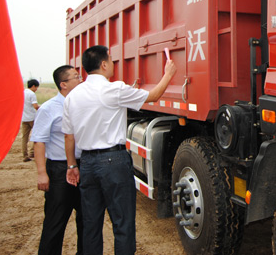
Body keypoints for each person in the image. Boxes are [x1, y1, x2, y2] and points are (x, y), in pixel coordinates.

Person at [63, 45, 176, 255]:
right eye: (112, 60)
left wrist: (72, 165)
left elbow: (68, 136)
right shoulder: (114, 90)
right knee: (123, 223)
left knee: (90, 224)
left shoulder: (72, 96)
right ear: (104, 64)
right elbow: (153, 96)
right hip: (113, 162)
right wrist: (168, 73)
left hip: (86, 163)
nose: (113, 64)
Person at [30, 65, 84, 255]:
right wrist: (42, 173)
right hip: (60, 171)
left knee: (86, 220)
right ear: (63, 84)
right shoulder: (48, 109)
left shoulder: (82, 105)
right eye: (76, 77)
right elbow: (39, 142)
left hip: (83, 166)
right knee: (55, 221)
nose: (81, 80)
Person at [22, 78, 40, 161]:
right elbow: (35, 106)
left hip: (24, 118)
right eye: (36, 87)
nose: (36, 89)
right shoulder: (32, 94)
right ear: (33, 86)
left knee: (24, 138)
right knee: (36, 134)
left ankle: (25, 155)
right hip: (32, 118)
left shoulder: (22, 93)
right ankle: (32, 152)